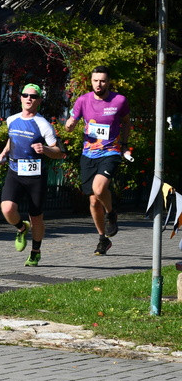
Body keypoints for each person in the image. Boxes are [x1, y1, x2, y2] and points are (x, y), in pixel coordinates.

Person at [64, 66, 131, 255]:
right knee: (93, 202)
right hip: (88, 154)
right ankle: (103, 239)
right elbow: (72, 121)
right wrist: (69, 125)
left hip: (110, 152)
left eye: (102, 81)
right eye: (95, 80)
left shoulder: (119, 101)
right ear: (91, 81)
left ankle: (111, 213)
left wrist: (125, 144)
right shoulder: (83, 100)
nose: (99, 84)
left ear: (108, 82)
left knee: (99, 189)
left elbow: (126, 122)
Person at [0, 83, 65, 267]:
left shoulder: (44, 125)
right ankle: (21, 227)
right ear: (20, 98)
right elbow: (12, 139)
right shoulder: (12, 120)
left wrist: (45, 149)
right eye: (25, 95)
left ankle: (35, 251)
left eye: (33, 96)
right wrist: (4, 152)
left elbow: (59, 152)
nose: (28, 99)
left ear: (39, 100)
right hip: (15, 171)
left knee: (36, 217)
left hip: (35, 176)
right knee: (7, 209)